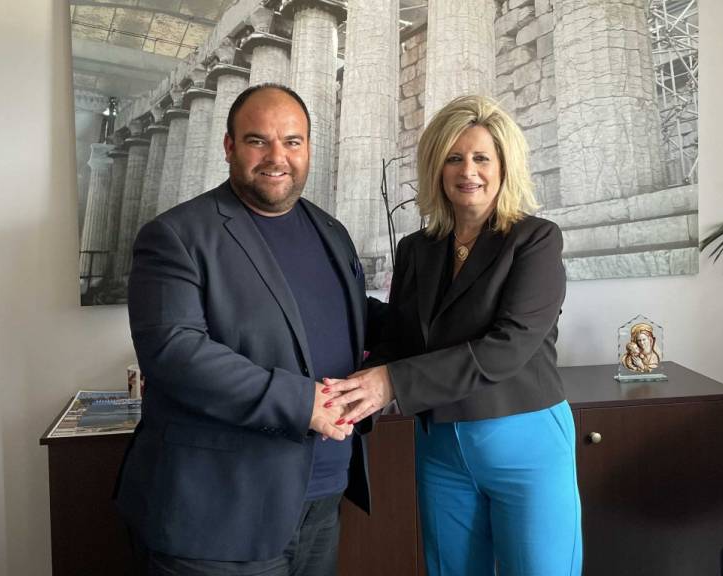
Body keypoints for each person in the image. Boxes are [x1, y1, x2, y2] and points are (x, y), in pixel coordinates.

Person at [115, 83, 384, 576]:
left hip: (323, 498)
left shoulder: (331, 232)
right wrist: (303, 402)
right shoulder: (176, 235)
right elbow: (174, 351)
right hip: (219, 515)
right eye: (258, 140)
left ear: (308, 148)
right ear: (229, 146)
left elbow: (352, 320)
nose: (277, 157)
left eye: (292, 141)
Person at [324, 95, 582, 575]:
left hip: (525, 444)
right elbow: (400, 340)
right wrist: (353, 393)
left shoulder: (536, 239)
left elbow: (508, 347)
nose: (468, 171)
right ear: (436, 168)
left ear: (504, 166)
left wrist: (391, 382)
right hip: (440, 449)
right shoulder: (415, 249)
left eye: (482, 157)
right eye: (454, 158)